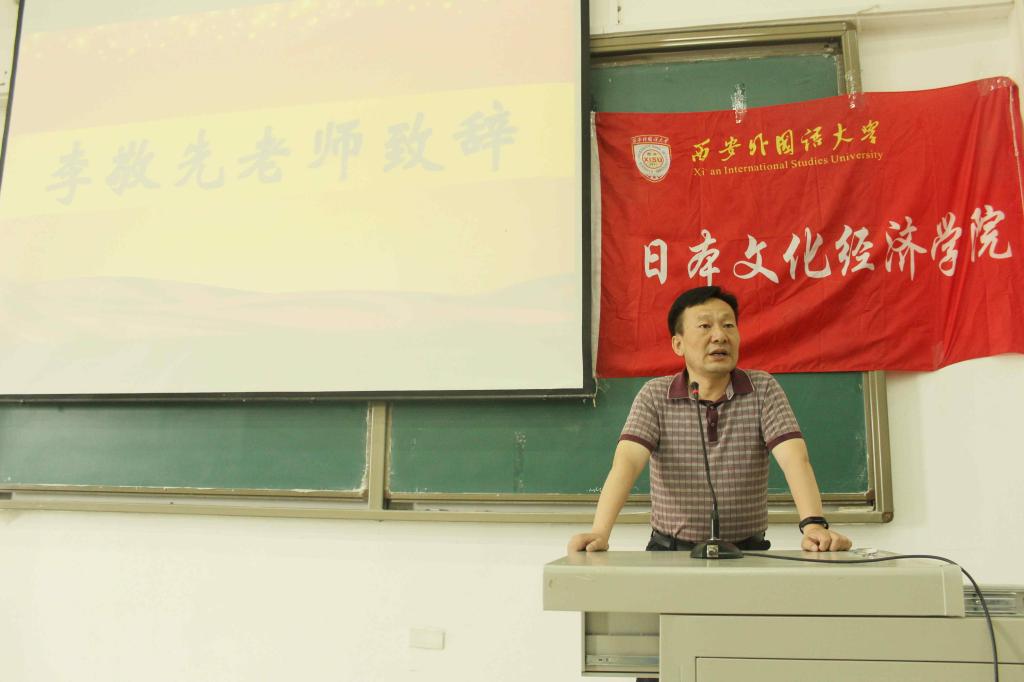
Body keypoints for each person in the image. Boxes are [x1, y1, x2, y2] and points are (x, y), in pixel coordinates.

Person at [568, 285, 852, 554]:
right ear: (678, 344)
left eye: (728, 325)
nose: (720, 336)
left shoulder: (763, 389)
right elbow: (627, 462)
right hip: (670, 553)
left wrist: (813, 525)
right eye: (705, 326)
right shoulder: (655, 395)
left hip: (747, 553)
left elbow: (794, 459)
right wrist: (600, 532)